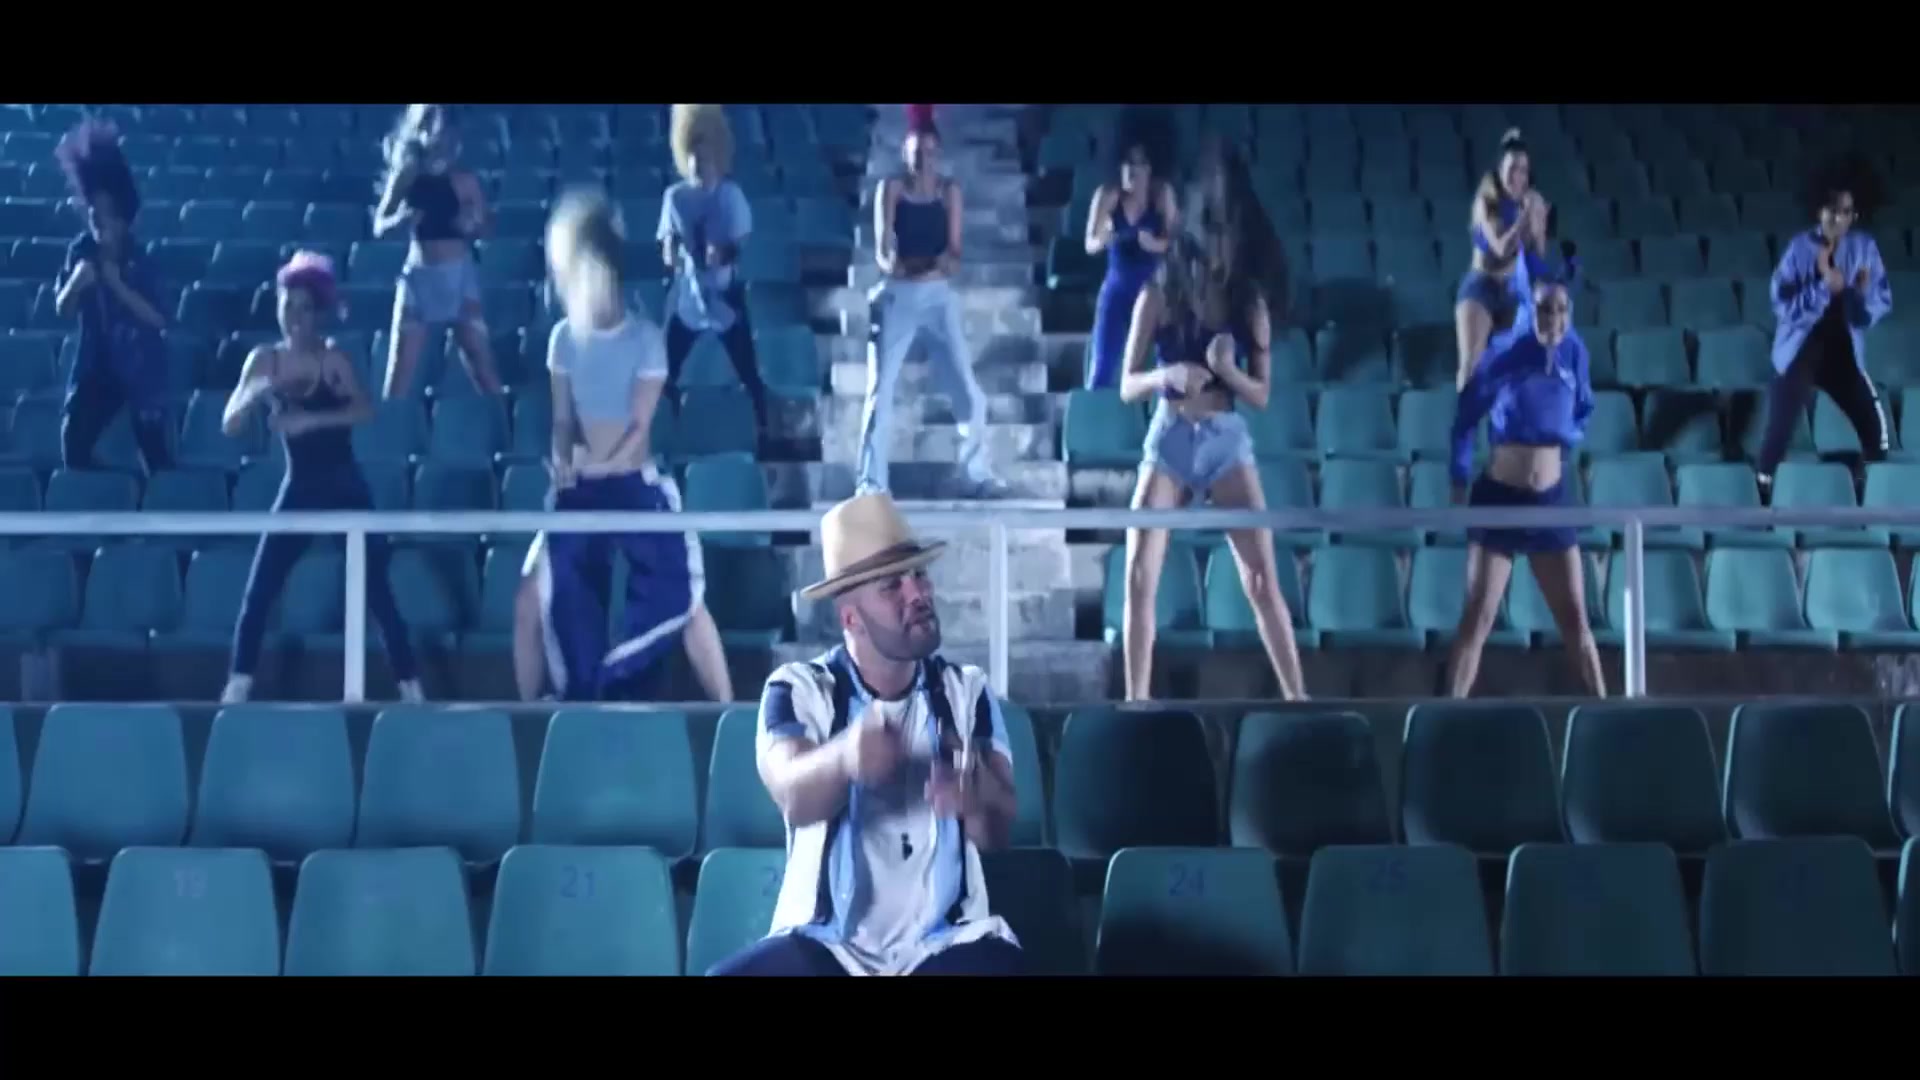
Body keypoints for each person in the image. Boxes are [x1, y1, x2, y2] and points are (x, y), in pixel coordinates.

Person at [707, 491, 1023, 977]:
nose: (917, 594)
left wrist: (976, 796)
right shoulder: (797, 688)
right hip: (825, 947)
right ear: (850, 617)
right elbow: (792, 794)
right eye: (891, 586)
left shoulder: (968, 691)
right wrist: (845, 759)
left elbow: (997, 833)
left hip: (945, 943)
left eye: (919, 575)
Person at [525, 188, 733, 703]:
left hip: (633, 487)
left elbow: (639, 427)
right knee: (530, 595)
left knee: (686, 601)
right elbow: (562, 421)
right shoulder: (562, 339)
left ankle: (733, 714)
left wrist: (599, 467)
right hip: (580, 492)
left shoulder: (645, 339)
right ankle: (528, 723)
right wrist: (562, 458)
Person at [1116, 144, 1306, 703]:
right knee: (1139, 575)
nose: (1223, 250)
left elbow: (1262, 395)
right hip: (1170, 435)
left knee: (1260, 579)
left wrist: (1229, 371)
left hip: (1224, 439)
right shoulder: (1158, 293)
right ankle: (1135, 703)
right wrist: (1165, 375)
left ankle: (1299, 699)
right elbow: (1126, 384)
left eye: (1230, 239)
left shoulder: (1248, 302)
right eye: (1216, 237)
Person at [219, 252, 422, 704]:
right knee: (260, 588)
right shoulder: (264, 361)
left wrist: (309, 421)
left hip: (344, 486)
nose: (295, 317)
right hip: (300, 487)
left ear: (318, 314)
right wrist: (251, 397)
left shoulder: (333, 359)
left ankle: (411, 686)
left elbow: (365, 410)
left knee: (376, 590)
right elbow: (230, 422)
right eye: (288, 306)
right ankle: (238, 683)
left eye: (305, 309)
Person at [1445, 275, 1604, 698]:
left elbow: (1585, 406)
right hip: (1501, 497)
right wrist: (1459, 476)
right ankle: (1444, 714)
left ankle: (1609, 713)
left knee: (1575, 619)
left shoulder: (1575, 352)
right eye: (1544, 309)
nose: (1553, 318)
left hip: (1550, 502)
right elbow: (1465, 418)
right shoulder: (1503, 353)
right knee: (1477, 617)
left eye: (1561, 310)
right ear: (1528, 310)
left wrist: (1565, 434)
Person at [860, 104, 1007, 498]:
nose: (923, 160)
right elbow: (884, 254)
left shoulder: (949, 192)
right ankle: (871, 483)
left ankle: (976, 472)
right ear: (905, 153)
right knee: (880, 392)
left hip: (937, 296)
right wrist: (907, 266)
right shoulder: (891, 189)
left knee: (968, 390)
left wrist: (928, 268)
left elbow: (954, 256)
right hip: (898, 294)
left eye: (929, 152)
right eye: (916, 152)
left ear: (938, 153)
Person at [1754, 154, 1893, 499]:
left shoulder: (1865, 248)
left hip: (1842, 354)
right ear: (1819, 210)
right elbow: (1782, 305)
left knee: (1876, 435)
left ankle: (1870, 497)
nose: (1837, 218)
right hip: (1799, 353)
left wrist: (1857, 295)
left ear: (1854, 215)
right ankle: (1761, 497)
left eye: (1846, 211)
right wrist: (1823, 287)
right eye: (1831, 209)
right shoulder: (1799, 249)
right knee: (1777, 436)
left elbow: (1877, 304)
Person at [51, 120, 172, 473]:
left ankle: (151, 494)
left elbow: (159, 319)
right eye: (93, 215)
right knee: (74, 444)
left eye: (106, 217)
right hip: (96, 365)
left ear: (123, 219)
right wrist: (76, 284)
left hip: (139, 363)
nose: (99, 225)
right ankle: (117, 489)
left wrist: (118, 285)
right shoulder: (81, 252)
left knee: (156, 456)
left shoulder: (140, 259)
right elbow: (62, 308)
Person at [372, 103, 503, 400]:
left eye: (447, 128)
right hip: (419, 280)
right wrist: (401, 220)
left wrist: (473, 223)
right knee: (398, 382)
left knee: (483, 371)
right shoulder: (407, 175)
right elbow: (379, 225)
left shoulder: (464, 179)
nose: (441, 135)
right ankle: (394, 428)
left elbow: (487, 227)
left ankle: (501, 421)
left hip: (458, 279)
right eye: (434, 127)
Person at [658, 103, 770, 439]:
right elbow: (668, 244)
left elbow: (741, 243)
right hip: (689, 297)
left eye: (706, 160)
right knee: (664, 370)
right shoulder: (675, 197)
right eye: (695, 160)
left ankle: (763, 425)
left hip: (725, 296)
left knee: (748, 371)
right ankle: (670, 426)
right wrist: (672, 254)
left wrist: (722, 253)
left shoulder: (731, 196)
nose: (701, 166)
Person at [1084, 107, 1178, 390]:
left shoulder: (1162, 194)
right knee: (1101, 368)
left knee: (1169, 361)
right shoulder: (1107, 195)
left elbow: (1178, 243)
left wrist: (1156, 244)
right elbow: (1090, 244)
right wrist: (1105, 238)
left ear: (1151, 168)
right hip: (1117, 288)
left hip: (1154, 290)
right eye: (1127, 163)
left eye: (1139, 164)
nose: (1131, 171)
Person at [1454, 129, 1551, 389]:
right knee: (1471, 364)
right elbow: (1501, 248)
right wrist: (1524, 217)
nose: (1517, 177)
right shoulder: (1485, 202)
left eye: (1523, 170)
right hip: (1482, 286)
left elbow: (1537, 255)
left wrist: (1538, 224)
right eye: (1511, 169)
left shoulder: (1532, 202)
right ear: (1500, 170)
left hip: (1511, 289)